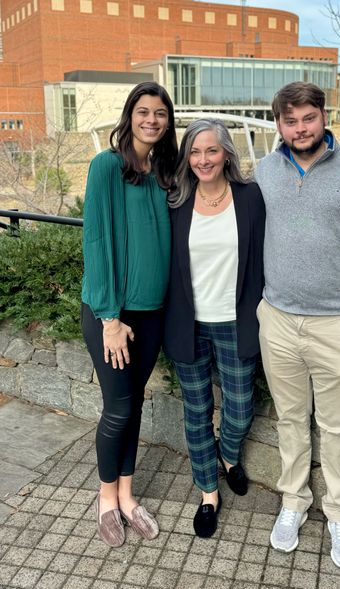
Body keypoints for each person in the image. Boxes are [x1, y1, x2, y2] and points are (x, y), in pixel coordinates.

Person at [255, 82, 340, 568]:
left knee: (336, 427)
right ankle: (293, 503)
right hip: (279, 320)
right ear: (279, 124)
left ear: (323, 116)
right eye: (290, 121)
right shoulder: (265, 171)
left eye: (307, 118)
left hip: (339, 325)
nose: (300, 129)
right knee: (290, 421)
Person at [81, 82, 178, 547]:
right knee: (118, 407)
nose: (152, 120)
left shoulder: (166, 172)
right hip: (113, 314)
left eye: (160, 113)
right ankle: (104, 498)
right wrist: (109, 318)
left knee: (134, 401)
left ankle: (127, 493)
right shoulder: (107, 166)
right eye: (144, 111)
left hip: (153, 313)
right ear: (130, 115)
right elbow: (96, 242)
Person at [164, 119, 265, 538]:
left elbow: (263, 257)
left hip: (237, 320)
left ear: (226, 152)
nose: (203, 159)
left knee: (240, 408)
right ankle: (208, 492)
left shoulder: (250, 197)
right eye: (194, 151)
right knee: (197, 411)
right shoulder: (175, 202)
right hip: (188, 322)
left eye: (211, 150)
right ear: (187, 157)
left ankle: (228, 454)